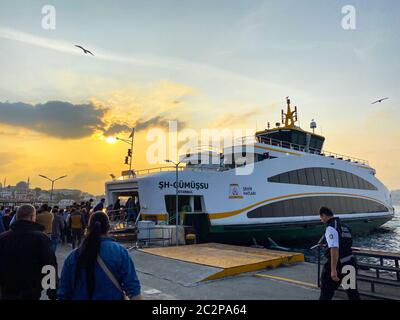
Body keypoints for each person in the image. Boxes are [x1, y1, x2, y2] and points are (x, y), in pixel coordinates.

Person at [57, 211, 142, 300]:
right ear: (108, 228)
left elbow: (63, 292)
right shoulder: (120, 252)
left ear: (88, 229)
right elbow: (133, 290)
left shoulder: (73, 256)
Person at [0, 205, 57, 300]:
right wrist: (52, 290)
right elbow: (49, 265)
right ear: (32, 217)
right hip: (32, 290)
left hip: (7, 289)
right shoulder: (41, 238)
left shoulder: (3, 238)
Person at [319, 206, 360, 300]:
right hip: (350, 263)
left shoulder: (331, 228)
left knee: (326, 292)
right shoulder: (345, 226)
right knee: (352, 292)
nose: (320, 219)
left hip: (338, 265)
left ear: (324, 215)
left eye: (321, 217)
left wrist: (333, 270)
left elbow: (334, 249)